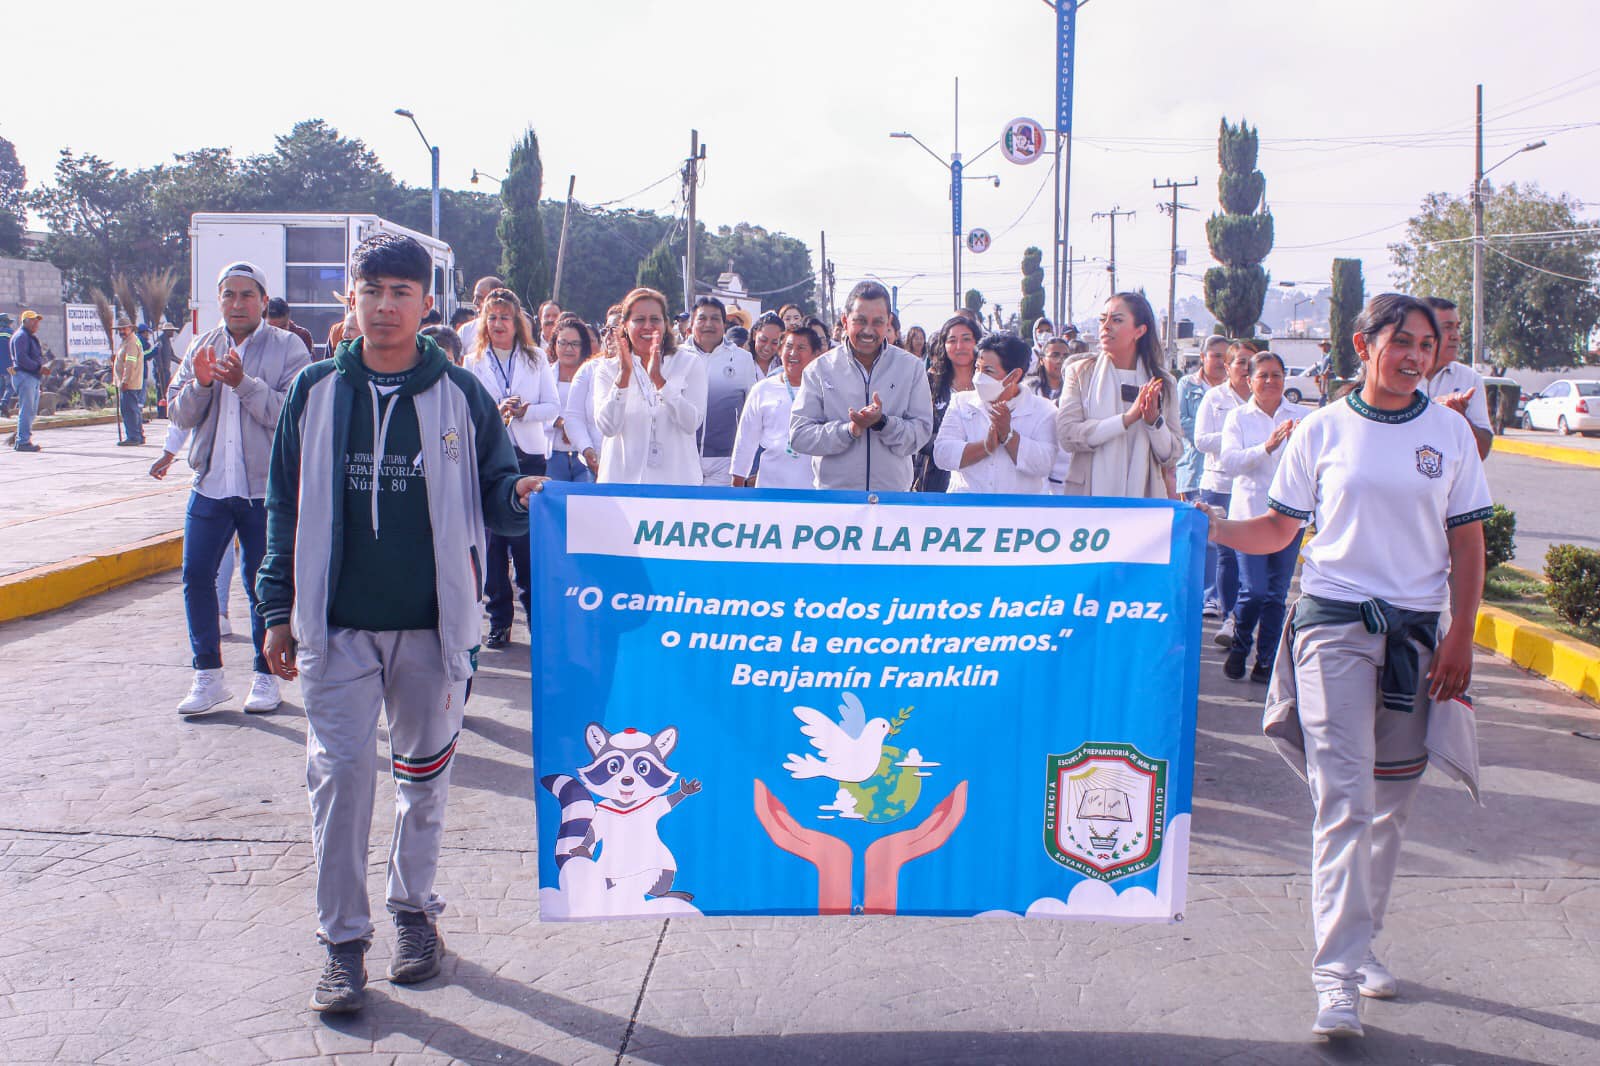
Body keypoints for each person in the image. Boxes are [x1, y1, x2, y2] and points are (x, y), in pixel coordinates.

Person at [256, 232, 544, 1015]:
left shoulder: (460, 395)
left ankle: (414, 915)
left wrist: (520, 498)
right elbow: (283, 506)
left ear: (426, 304)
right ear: (351, 297)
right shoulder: (315, 392)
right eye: (371, 290)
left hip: (433, 630)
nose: (385, 306)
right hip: (335, 630)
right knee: (340, 782)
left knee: (423, 782)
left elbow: (496, 488)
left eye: (400, 292)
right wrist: (276, 607)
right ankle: (342, 946)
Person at [1203, 293, 1490, 1038]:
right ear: (1363, 346)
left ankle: (1362, 949)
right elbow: (1276, 529)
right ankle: (1335, 980)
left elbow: (1467, 543)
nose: (1415, 356)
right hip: (1332, 626)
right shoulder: (1324, 430)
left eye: (1426, 344)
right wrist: (1208, 529)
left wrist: (1461, 634)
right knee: (1345, 799)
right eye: (1401, 341)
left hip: (1416, 640)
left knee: (1391, 807)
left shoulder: (1450, 433)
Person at [166, 261, 310, 715]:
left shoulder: (288, 348)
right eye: (229, 294)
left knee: (258, 583)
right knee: (195, 577)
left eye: (247, 294)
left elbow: (292, 416)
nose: (237, 303)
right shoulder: (202, 347)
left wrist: (243, 384)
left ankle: (264, 677)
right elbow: (177, 413)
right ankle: (207, 674)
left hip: (263, 490)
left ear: (264, 301)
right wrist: (204, 384)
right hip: (209, 485)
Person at [465, 288, 559, 650]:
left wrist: (524, 411)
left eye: (505, 317)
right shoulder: (473, 362)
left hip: (529, 456)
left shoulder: (535, 358)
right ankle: (500, 620)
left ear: (517, 322)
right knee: (492, 546)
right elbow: (467, 411)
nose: (499, 323)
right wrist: (496, 410)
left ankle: (538, 622)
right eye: (492, 317)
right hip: (489, 457)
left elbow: (553, 406)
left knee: (526, 544)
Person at [1216, 351, 1309, 682]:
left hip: (1290, 517)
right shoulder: (1238, 418)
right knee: (1253, 591)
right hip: (1248, 518)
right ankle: (1241, 645)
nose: (1270, 381)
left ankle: (1266, 660)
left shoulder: (1303, 416)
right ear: (1249, 380)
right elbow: (1229, 462)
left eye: (1277, 375)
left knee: (1276, 595)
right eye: (1263, 375)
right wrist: (1267, 447)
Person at [790, 280, 933, 491]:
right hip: (836, 502)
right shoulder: (819, 369)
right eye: (860, 321)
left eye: (877, 322)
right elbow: (800, 436)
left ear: (889, 322)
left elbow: (921, 433)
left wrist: (883, 424)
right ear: (845, 320)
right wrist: (848, 431)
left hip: (891, 501)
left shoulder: (911, 368)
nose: (868, 330)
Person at [1054, 293, 1181, 498]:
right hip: (1089, 498)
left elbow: (1171, 455)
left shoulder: (1163, 382)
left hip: (1143, 500)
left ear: (1139, 331)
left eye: (1117, 320)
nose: (1106, 327)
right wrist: (1126, 419)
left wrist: (1153, 422)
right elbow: (1067, 434)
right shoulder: (1080, 373)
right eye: (1103, 319)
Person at [593, 287, 708, 485]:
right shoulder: (607, 369)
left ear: (665, 324)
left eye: (655, 319)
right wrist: (623, 377)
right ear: (625, 325)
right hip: (623, 485)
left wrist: (659, 381)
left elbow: (691, 424)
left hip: (676, 485)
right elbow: (608, 427)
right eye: (639, 320)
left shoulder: (689, 363)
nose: (648, 326)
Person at [934, 332, 1058, 495]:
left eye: (988, 370)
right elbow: (942, 454)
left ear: (1014, 375)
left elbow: (1044, 464)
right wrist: (985, 447)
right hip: (966, 509)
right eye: (977, 368)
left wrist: (1008, 436)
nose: (979, 377)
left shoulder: (1044, 410)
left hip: (1019, 511)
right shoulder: (961, 402)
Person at [1194, 341, 1256, 643]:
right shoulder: (1214, 398)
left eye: (1250, 363)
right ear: (1228, 367)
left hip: (1253, 487)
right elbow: (1201, 440)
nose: (1246, 368)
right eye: (1240, 362)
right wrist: (1235, 436)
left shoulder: (1263, 399)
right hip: (1219, 483)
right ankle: (1226, 615)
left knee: (1251, 554)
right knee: (1224, 555)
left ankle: (1242, 616)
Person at [731, 324, 824, 489]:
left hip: (813, 489)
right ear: (780, 350)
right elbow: (745, 440)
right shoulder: (762, 390)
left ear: (816, 355)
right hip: (771, 486)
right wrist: (737, 483)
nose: (793, 353)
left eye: (801, 348)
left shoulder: (825, 390)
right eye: (788, 346)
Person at [682, 295, 760, 486]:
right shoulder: (675, 357)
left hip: (725, 460)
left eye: (715, 318)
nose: (709, 324)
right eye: (702, 318)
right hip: (683, 455)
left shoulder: (742, 359)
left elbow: (751, 413)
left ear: (724, 324)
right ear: (691, 324)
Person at [1179, 335, 1231, 614]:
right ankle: (1202, 592)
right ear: (1203, 357)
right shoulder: (1188, 385)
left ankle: (1215, 593)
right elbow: (1182, 421)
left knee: (1220, 535)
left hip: (1225, 470)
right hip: (1194, 467)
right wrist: (1227, 436)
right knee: (1202, 535)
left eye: (1226, 356)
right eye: (1215, 355)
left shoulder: (1233, 390)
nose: (1221, 362)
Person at [913, 315, 980, 493]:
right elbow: (917, 429)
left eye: (966, 339)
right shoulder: (928, 382)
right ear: (944, 345)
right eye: (952, 340)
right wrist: (953, 448)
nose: (960, 346)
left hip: (980, 479)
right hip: (936, 478)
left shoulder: (990, 383)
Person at [1420, 296, 1492, 459]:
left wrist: (1461, 418)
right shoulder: (1401, 376)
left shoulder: (1470, 380)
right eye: (1447, 328)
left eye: (1457, 328)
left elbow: (1482, 452)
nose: (1456, 336)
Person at [548, 313, 600, 483]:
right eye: (563, 343)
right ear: (554, 344)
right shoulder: (545, 374)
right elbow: (533, 408)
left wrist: (573, 429)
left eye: (575, 344)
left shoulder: (594, 374)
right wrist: (560, 423)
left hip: (586, 455)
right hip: (552, 455)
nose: (568, 349)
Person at [1024, 336, 1073, 493]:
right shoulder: (1028, 391)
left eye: (1065, 356)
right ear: (1042, 360)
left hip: (1065, 474)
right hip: (1034, 470)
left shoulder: (1079, 391)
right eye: (1055, 355)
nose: (1060, 360)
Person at [9, 310, 46, 452]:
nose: (36, 323)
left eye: (37, 321)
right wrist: (39, 367)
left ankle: (23, 439)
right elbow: (21, 359)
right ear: (24, 322)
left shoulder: (28, 336)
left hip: (31, 376)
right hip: (25, 376)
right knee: (27, 410)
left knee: (30, 411)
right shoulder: (21, 336)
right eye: (33, 320)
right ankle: (23, 441)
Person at [112, 315, 147, 446]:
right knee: (134, 410)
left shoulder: (131, 343)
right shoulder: (129, 341)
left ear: (130, 329)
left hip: (129, 383)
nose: (121, 332)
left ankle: (133, 436)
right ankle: (138, 434)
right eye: (120, 329)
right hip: (131, 382)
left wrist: (125, 381)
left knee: (129, 411)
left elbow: (130, 364)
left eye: (124, 329)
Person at [455, 275, 505, 352]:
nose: (475, 302)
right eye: (474, 297)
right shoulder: (465, 331)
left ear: (496, 299)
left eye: (480, 297)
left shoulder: (512, 331)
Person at [152, 320, 180, 415]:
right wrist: (160, 369)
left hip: (166, 371)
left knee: (165, 391)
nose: (172, 332)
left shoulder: (167, 341)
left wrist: (182, 361)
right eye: (171, 330)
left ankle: (164, 412)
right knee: (161, 392)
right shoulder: (160, 340)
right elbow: (157, 356)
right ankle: (161, 413)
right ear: (166, 331)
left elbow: (171, 355)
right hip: (160, 371)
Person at [748, 311, 785, 377]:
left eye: (774, 343)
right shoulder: (741, 361)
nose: (767, 348)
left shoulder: (784, 365)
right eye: (763, 340)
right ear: (754, 335)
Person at [0, 311, 15, 417]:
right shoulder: (11, 332)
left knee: (1, 387)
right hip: (10, 365)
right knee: (11, 386)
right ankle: (4, 404)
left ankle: (1, 410)